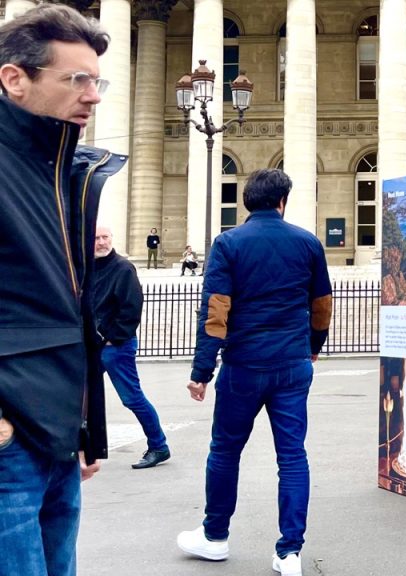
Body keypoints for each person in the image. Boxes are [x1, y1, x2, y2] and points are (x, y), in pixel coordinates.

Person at [0, 5, 125, 575]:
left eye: (96, 81)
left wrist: (84, 427)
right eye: (77, 79)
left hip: (53, 435)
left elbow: (69, 314)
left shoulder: (63, 171)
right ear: (15, 78)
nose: (93, 96)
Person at [177, 169, 333, 576]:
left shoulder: (228, 243)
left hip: (243, 365)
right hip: (292, 363)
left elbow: (216, 309)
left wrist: (201, 370)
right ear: (283, 201)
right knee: (293, 457)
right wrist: (312, 348)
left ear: (248, 202)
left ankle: (215, 537)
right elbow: (322, 306)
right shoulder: (308, 242)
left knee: (225, 451)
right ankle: (290, 552)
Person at [94, 225, 171, 468]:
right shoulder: (85, 267)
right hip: (92, 345)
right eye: (96, 238)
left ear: (112, 238)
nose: (101, 242)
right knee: (81, 398)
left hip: (115, 345)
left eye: (105, 237)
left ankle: (159, 446)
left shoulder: (123, 268)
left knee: (132, 398)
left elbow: (131, 307)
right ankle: (85, 447)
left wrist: (111, 337)